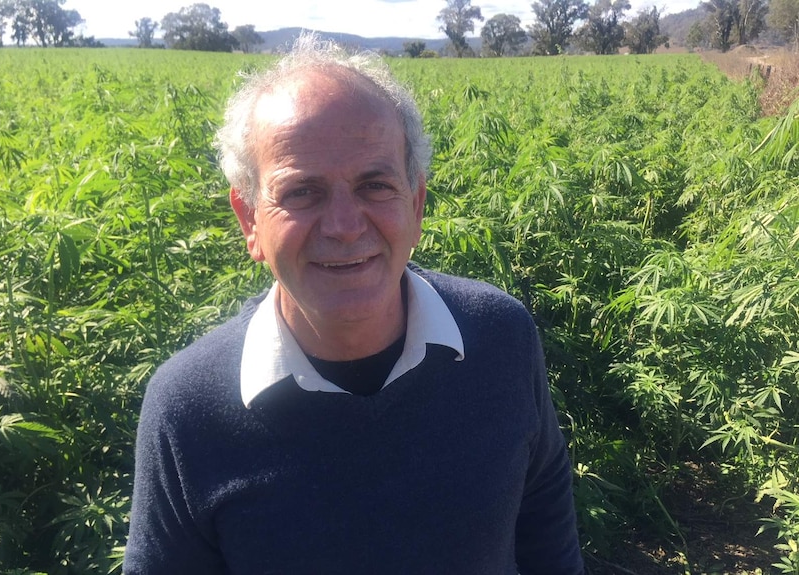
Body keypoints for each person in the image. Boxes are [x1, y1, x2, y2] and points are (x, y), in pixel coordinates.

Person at [124, 33, 583, 575]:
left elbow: (546, 538)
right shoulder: (187, 407)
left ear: (415, 203)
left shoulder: (501, 338)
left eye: (374, 185)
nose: (344, 227)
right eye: (301, 192)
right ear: (250, 220)